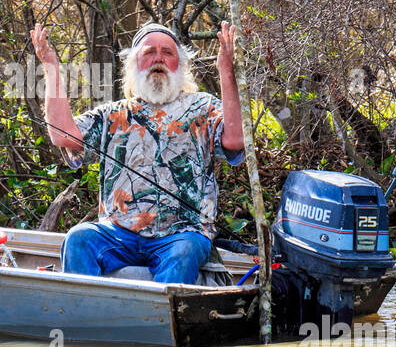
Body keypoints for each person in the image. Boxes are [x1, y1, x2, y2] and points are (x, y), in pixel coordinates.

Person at [30, 20, 245, 284]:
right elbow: (62, 135)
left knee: (186, 250)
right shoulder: (114, 114)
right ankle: (85, 319)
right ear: (134, 65)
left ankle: (157, 322)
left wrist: (226, 69)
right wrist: (51, 68)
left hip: (181, 234)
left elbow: (235, 140)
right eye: (149, 52)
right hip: (118, 233)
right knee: (79, 238)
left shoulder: (202, 107)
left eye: (168, 52)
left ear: (181, 64)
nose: (159, 58)